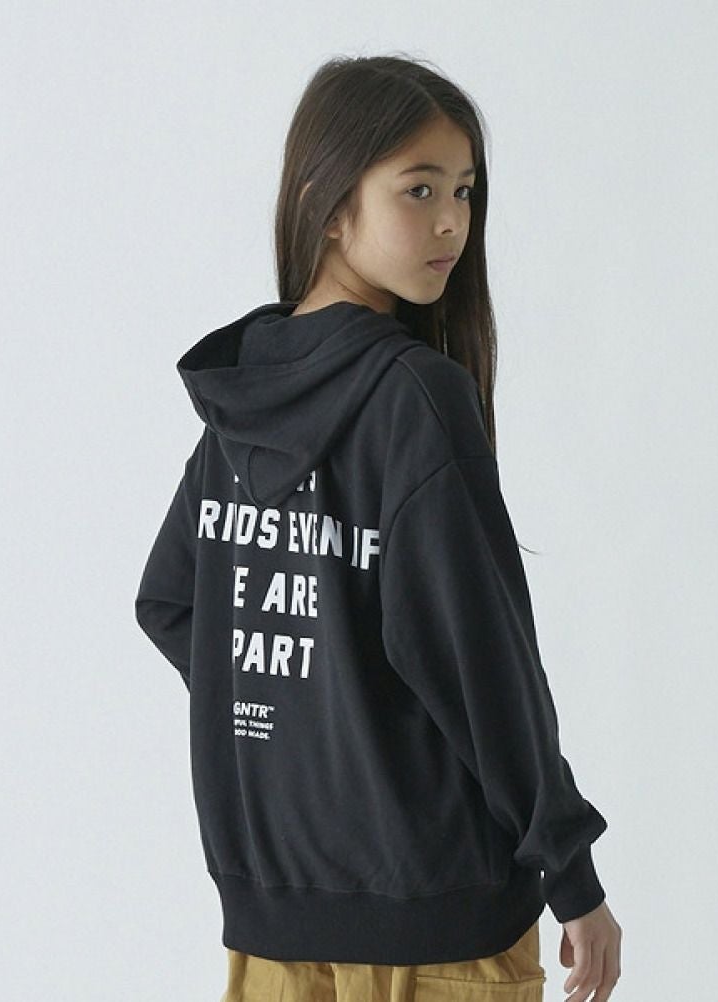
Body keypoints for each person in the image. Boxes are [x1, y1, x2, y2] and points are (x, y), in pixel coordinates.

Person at [134, 53, 622, 1002]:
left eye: (464, 191)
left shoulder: (246, 400)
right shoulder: (415, 401)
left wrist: (317, 719)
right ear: (327, 203)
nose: (452, 222)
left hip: (273, 931)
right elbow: (483, 666)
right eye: (419, 188)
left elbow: (173, 605)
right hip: (441, 923)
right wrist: (572, 873)